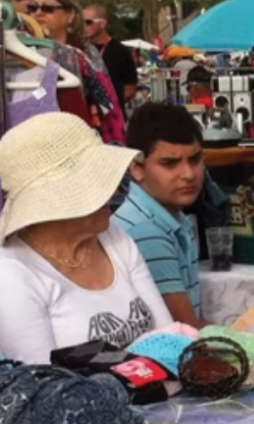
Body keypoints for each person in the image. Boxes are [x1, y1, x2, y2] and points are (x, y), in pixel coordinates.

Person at [0, 112, 170, 363]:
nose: (112, 191)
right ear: (55, 199)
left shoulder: (113, 237)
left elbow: (168, 337)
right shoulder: (12, 275)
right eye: (95, 181)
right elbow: (42, 379)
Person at [113, 103, 206, 326]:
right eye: (170, 163)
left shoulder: (171, 219)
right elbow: (185, 329)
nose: (188, 174)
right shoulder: (145, 231)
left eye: (195, 159)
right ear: (136, 168)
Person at [26, 0, 124, 144]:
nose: (38, 13)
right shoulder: (18, 54)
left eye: (47, 8)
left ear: (70, 15)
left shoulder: (85, 54)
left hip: (80, 140)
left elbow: (108, 107)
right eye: (33, 8)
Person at [83, 3, 138, 116]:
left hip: (113, 116)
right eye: (80, 22)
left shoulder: (120, 51)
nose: (83, 26)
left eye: (88, 22)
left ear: (102, 24)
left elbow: (130, 89)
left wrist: (109, 102)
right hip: (86, 116)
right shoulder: (79, 49)